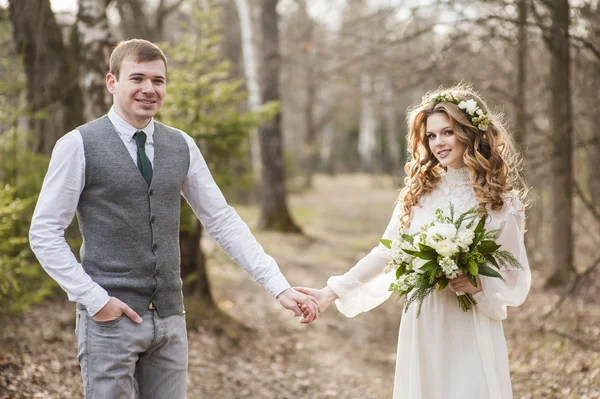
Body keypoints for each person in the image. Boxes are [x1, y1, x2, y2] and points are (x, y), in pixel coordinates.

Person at [29, 38, 319, 399]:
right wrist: (94, 299)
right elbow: (44, 232)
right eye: (137, 78)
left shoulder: (181, 145)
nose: (149, 89)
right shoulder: (78, 144)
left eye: (158, 81)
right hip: (109, 321)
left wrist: (279, 286)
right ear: (111, 82)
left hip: (169, 319)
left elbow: (222, 221)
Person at [296, 84, 531, 399]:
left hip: (469, 319)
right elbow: (387, 252)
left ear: (471, 132)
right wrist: (329, 293)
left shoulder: (501, 201)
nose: (438, 143)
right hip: (423, 318)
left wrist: (479, 284)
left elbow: (514, 273)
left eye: (447, 132)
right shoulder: (419, 194)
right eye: (431, 136)